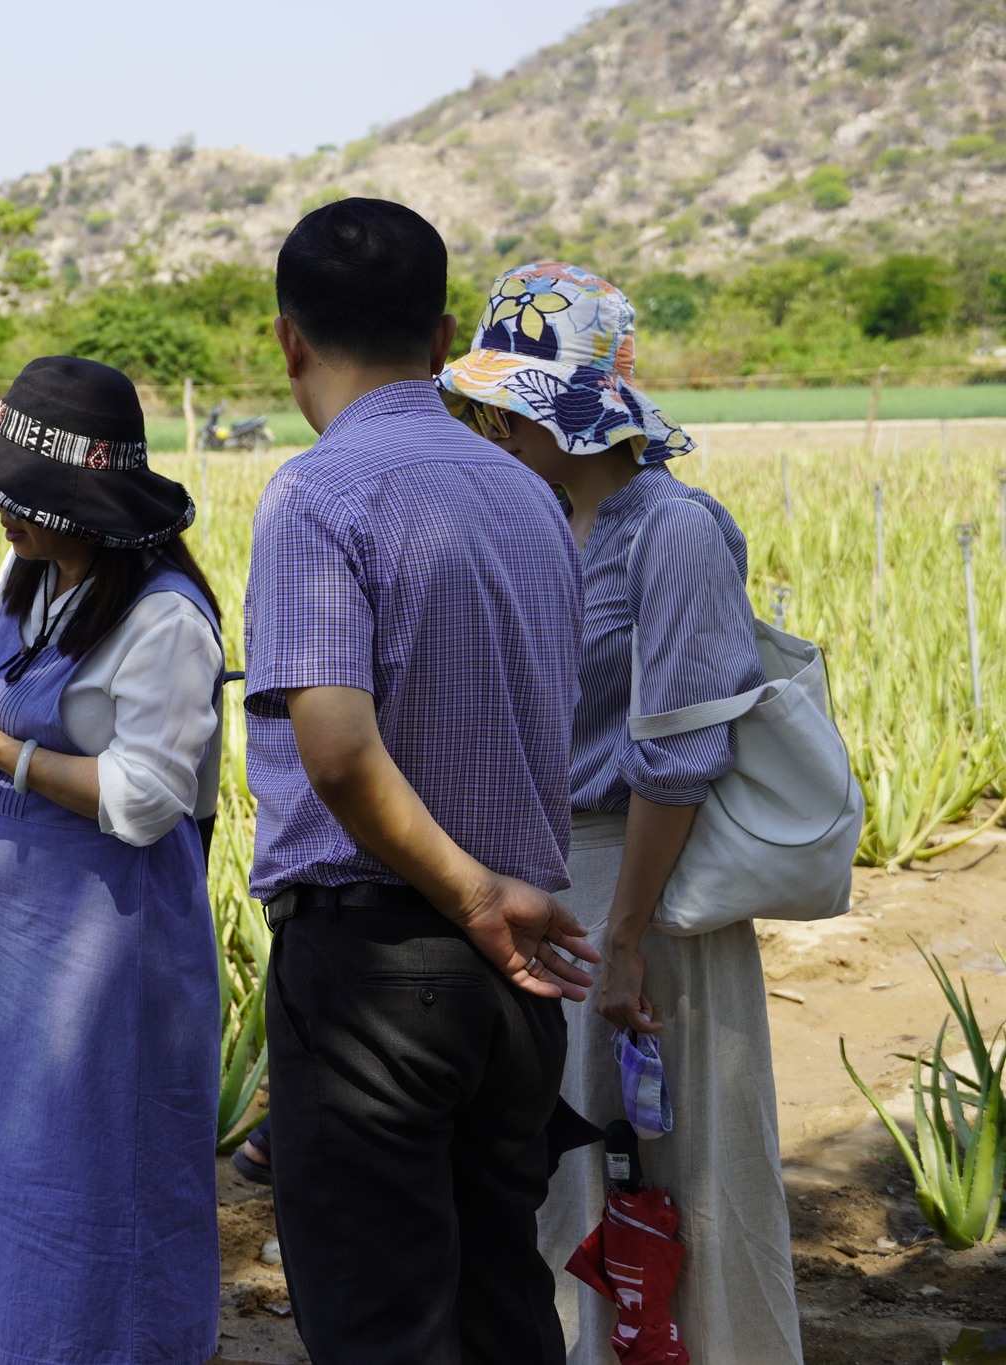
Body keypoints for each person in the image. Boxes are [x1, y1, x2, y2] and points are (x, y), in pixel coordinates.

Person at [244, 198, 598, 1365]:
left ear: (288, 339)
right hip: (516, 984)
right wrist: (495, 906)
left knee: (381, 1324)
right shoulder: (528, 495)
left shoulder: (316, 492)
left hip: (382, 969)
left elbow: (337, 751)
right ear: (445, 340)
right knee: (501, 1301)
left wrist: (467, 895)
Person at [440, 262, 802, 1365]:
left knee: (678, 1172)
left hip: (644, 895)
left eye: (516, 404)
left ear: (584, 409)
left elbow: (678, 754)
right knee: (555, 1182)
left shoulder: (671, 532)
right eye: (487, 404)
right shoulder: (530, 524)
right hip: (541, 888)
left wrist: (630, 943)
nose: (493, 425)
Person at [0, 355, 225, 1365]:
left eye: (17, 498)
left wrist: (2, 753)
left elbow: (147, 800)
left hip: (111, 945)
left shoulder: (161, 619)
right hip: (21, 932)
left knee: (107, 1166)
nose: (0, 515)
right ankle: (30, 1339)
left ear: (83, 505)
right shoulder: (32, 578)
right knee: (22, 1153)